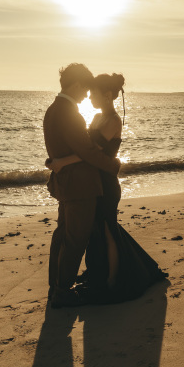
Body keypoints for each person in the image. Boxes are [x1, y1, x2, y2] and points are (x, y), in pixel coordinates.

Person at [48, 73, 167, 304]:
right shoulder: (95, 119)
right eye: (89, 93)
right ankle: (99, 275)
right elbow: (86, 151)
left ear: (108, 95)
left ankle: (113, 281)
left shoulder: (113, 121)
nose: (90, 97)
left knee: (108, 228)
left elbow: (92, 152)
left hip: (106, 183)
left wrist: (62, 162)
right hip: (94, 180)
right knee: (94, 230)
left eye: (93, 94)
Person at [43, 64, 121, 308]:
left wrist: (57, 162)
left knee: (62, 236)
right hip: (79, 186)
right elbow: (87, 151)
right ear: (76, 85)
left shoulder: (53, 109)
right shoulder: (68, 112)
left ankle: (56, 286)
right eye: (85, 88)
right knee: (74, 240)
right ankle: (63, 291)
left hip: (67, 184)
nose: (87, 94)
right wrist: (113, 166)